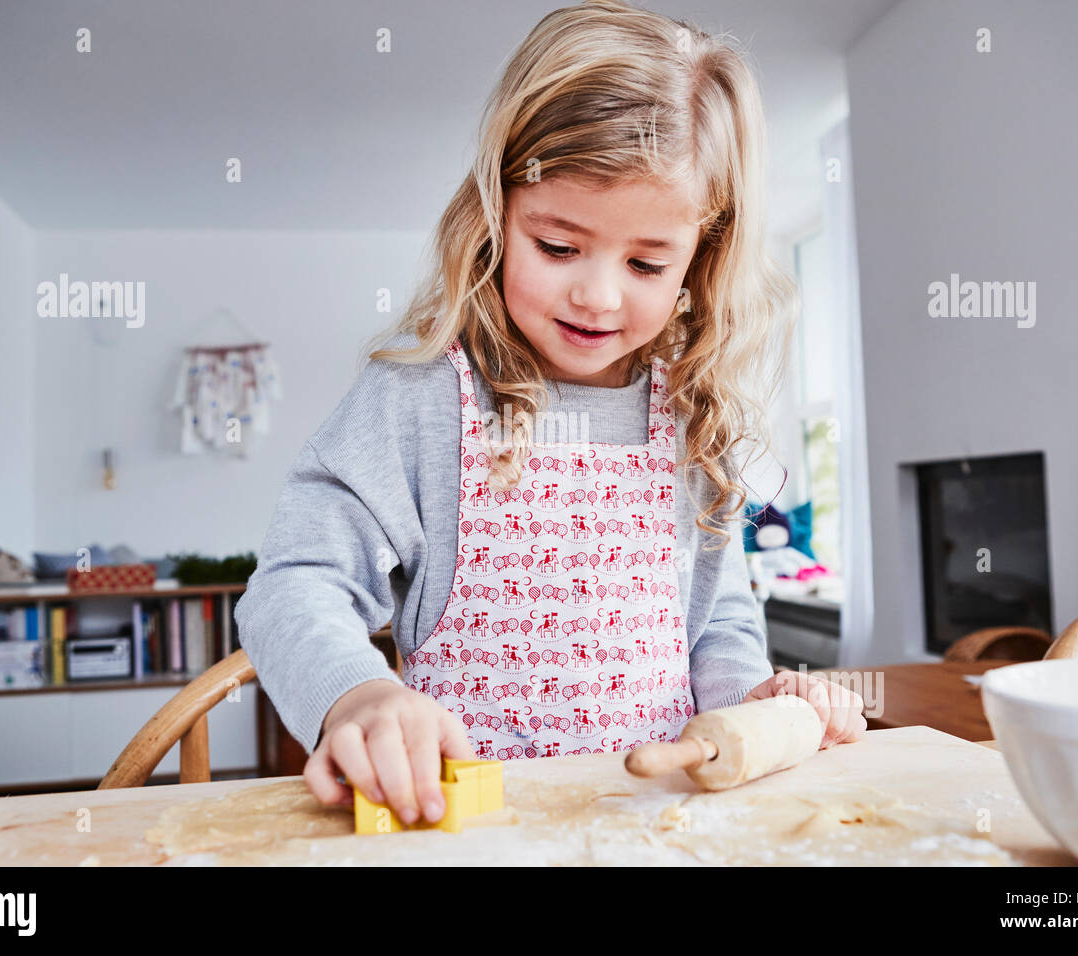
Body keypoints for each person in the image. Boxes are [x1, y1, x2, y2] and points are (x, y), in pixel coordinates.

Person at [235, 0, 865, 826]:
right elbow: (296, 585)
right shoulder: (424, 397)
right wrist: (357, 698)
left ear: (699, 260)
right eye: (559, 246)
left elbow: (718, 625)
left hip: (664, 826)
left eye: (646, 262)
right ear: (497, 212)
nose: (597, 295)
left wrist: (756, 699)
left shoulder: (691, 414)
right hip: (467, 834)